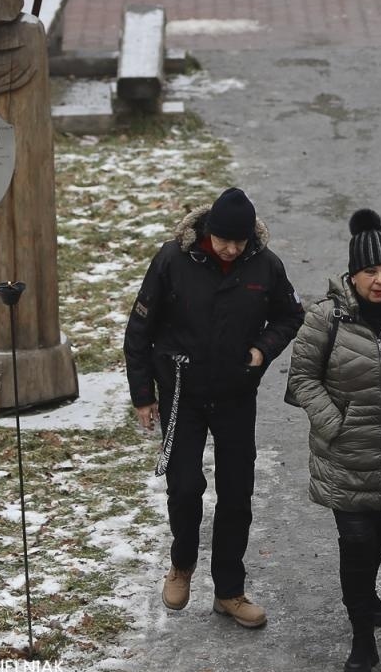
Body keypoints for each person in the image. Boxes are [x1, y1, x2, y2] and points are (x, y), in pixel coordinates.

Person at [124, 187, 304, 629]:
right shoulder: (172, 259)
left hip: (235, 393)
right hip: (181, 393)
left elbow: (290, 315)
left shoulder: (265, 265)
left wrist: (262, 349)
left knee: (237, 493)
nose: (231, 249)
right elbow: (139, 329)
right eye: (224, 240)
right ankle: (182, 564)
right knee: (185, 487)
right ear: (208, 232)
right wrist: (143, 395)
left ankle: (229, 591)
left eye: (239, 242)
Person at [285, 209, 381, 672]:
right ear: (352, 273)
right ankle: (361, 638)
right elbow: (301, 378)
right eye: (371, 271)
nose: (380, 280)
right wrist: (334, 423)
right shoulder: (325, 318)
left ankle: (367, 596)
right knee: (356, 540)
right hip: (346, 454)